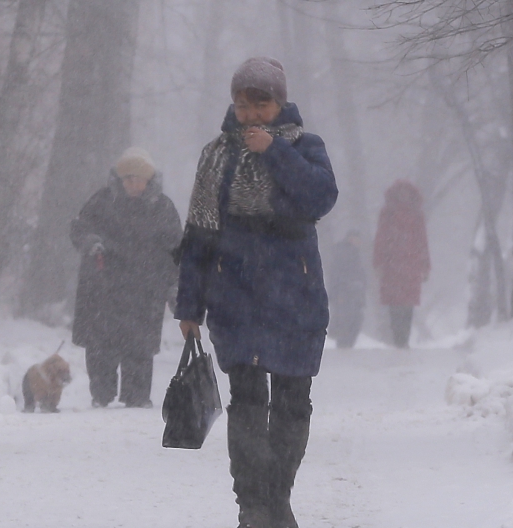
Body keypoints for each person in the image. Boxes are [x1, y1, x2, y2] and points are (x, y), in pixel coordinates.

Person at [175, 57, 337, 528]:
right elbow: (199, 234)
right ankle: (252, 506)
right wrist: (189, 306)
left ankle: (276, 497)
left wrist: (274, 152)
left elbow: (320, 198)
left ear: (279, 102)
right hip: (235, 296)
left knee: (293, 403)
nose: (250, 114)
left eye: (261, 103)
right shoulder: (216, 156)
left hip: (296, 296)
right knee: (246, 403)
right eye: (243, 104)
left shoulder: (307, 147)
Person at [71, 147, 182, 409]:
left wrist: (175, 286)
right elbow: (79, 227)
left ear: (149, 180)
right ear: (119, 180)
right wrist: (91, 242)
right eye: (129, 179)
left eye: (140, 179)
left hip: (145, 288)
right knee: (100, 344)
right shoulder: (101, 202)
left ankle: (137, 395)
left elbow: (176, 249)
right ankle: (101, 393)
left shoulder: (163, 208)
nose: (134, 185)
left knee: (140, 345)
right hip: (104, 286)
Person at [373, 179, 429, 348]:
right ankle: (399, 338)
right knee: (395, 304)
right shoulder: (388, 214)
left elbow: (422, 241)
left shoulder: (416, 215)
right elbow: (380, 239)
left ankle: (403, 339)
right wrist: (379, 262)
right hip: (394, 265)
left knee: (407, 305)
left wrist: (425, 266)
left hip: (408, 265)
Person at [327, 230, 367, 348]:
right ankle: (344, 345)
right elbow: (338, 274)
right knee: (347, 319)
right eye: (356, 238)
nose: (358, 241)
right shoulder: (344, 252)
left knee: (353, 319)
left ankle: (346, 344)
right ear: (349, 238)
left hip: (352, 292)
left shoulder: (354, 252)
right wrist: (340, 291)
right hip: (345, 292)